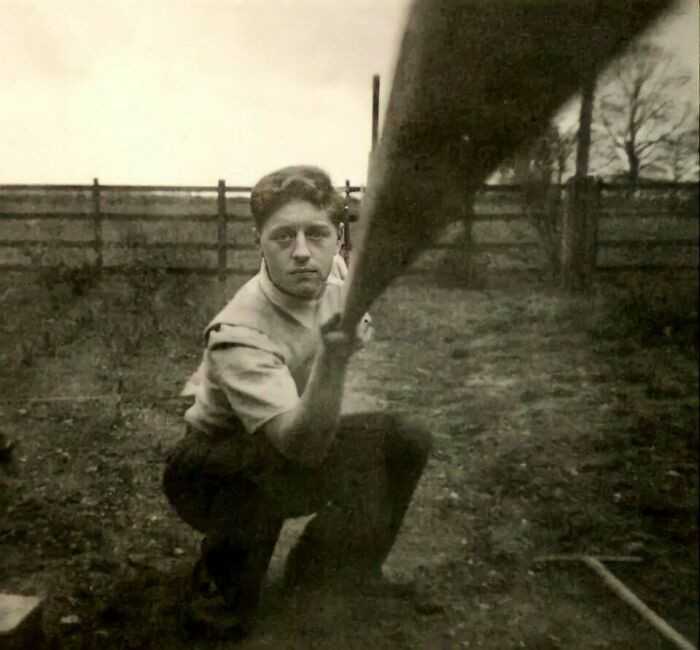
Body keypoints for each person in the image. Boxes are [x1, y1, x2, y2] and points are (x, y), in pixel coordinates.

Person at [162, 165, 432, 639]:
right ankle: (219, 585)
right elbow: (299, 446)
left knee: (403, 439)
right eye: (283, 237)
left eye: (317, 234)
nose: (303, 252)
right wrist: (331, 360)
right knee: (271, 462)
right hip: (208, 467)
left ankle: (322, 571)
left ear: (337, 240)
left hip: (276, 439)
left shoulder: (337, 278)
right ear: (258, 243)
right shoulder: (240, 331)